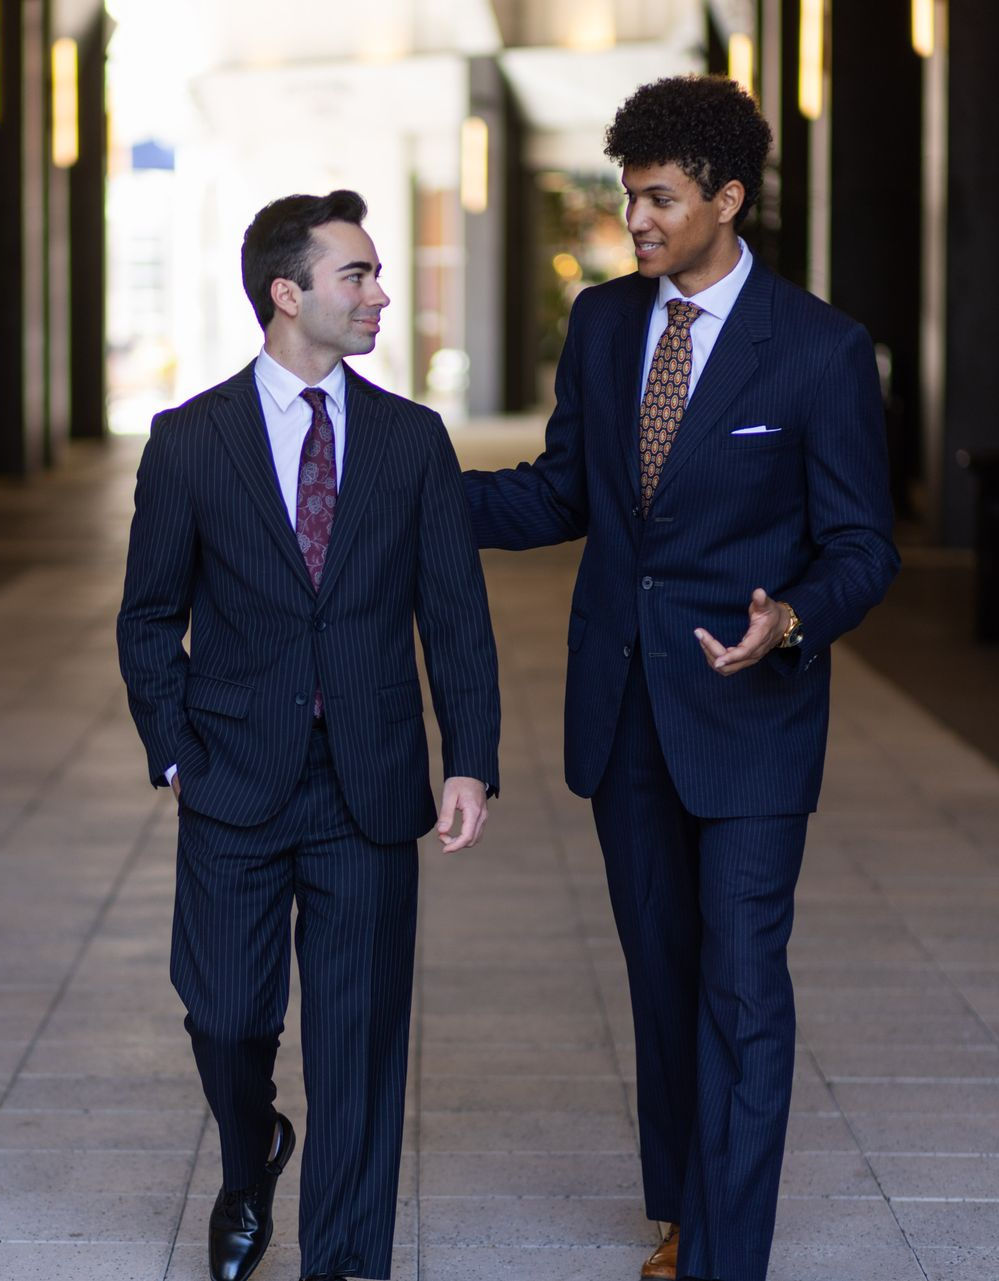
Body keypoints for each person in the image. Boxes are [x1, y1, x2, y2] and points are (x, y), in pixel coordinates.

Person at [464, 76, 898, 1281]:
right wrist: (410, 492)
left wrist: (793, 617)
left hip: (752, 719)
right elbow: (562, 491)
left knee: (742, 985)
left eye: (659, 198)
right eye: (630, 196)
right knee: (662, 980)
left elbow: (864, 547)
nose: (637, 220)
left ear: (727, 198)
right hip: (625, 712)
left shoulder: (817, 348)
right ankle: (680, 1212)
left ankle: (722, 1256)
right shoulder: (606, 325)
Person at [117, 189, 500, 1281]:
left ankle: (343, 1264)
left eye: (376, 274)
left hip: (368, 782)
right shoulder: (190, 442)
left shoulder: (411, 440)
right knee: (226, 1016)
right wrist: (176, 751)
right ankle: (251, 1155)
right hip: (233, 775)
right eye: (357, 275)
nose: (380, 294)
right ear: (287, 294)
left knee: (359, 1041)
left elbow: (454, 615)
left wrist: (470, 758)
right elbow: (149, 616)